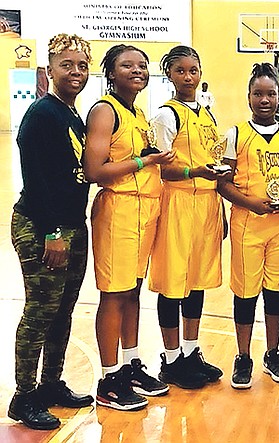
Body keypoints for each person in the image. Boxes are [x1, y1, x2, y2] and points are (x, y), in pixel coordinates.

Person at [8, 33, 94, 431]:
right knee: (40, 312)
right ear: (51, 68)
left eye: (81, 65)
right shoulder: (42, 114)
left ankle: (51, 384)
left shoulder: (71, 114)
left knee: (62, 313)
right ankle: (23, 397)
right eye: (67, 65)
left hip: (73, 225)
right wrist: (52, 234)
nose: (75, 72)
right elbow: (38, 181)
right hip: (43, 225)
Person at [84, 44, 175, 411]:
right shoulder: (105, 111)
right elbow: (94, 171)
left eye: (141, 65)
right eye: (127, 65)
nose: (136, 70)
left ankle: (131, 364)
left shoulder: (136, 112)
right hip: (118, 212)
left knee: (133, 292)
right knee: (114, 295)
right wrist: (143, 160)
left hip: (144, 211)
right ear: (111, 72)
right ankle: (108, 379)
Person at [218, 62, 279, 390]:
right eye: (259, 93)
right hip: (247, 222)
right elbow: (222, 184)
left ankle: (272, 352)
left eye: (271, 93)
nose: (265, 99)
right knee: (245, 293)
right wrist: (249, 202)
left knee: (276, 291)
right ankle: (243, 356)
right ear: (249, 97)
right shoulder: (236, 134)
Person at [148, 46, 229, 390]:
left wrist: (221, 210)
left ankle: (192, 351)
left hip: (207, 204)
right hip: (178, 203)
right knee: (173, 283)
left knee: (197, 281)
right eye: (180, 71)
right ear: (169, 74)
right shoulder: (166, 116)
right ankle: (170, 358)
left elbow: (215, 160)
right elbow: (163, 168)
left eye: (193, 70)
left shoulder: (207, 115)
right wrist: (195, 170)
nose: (188, 77)